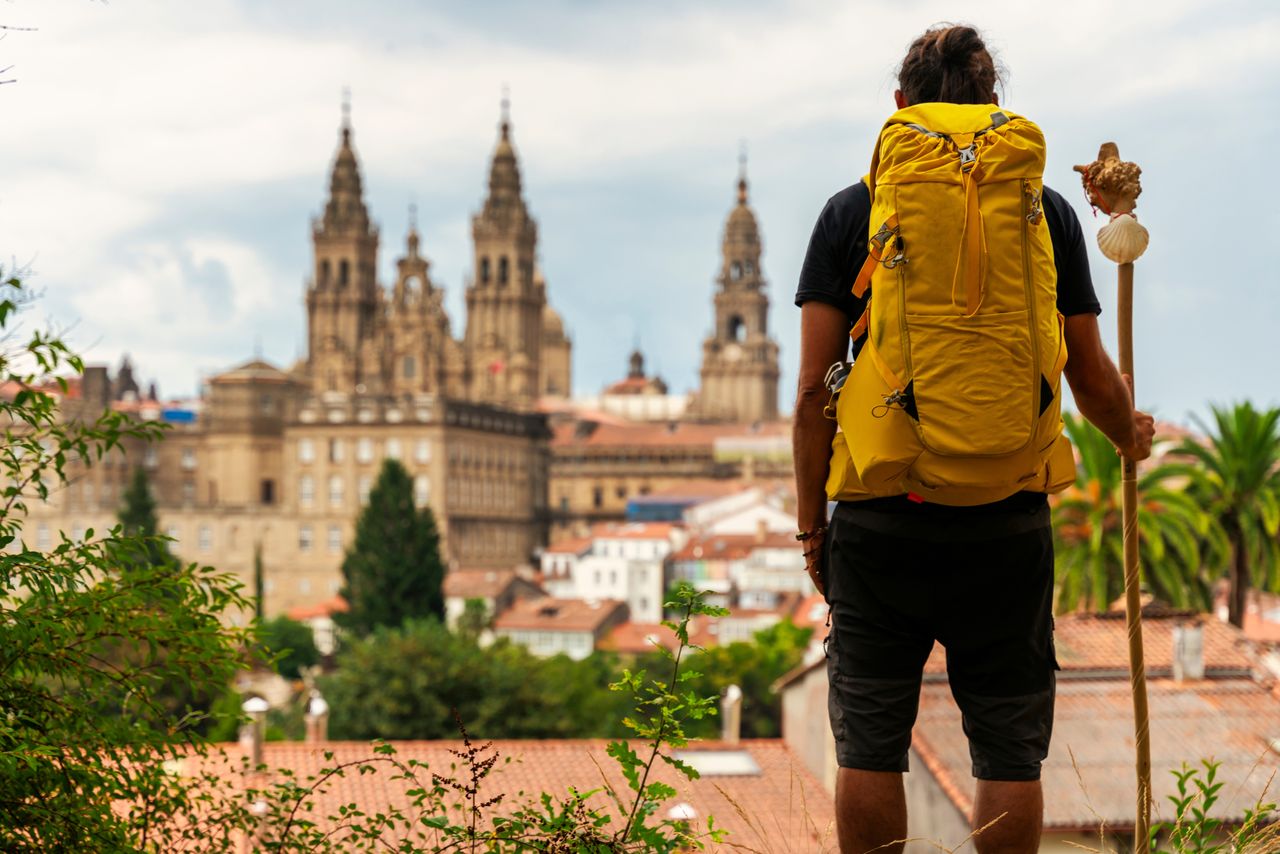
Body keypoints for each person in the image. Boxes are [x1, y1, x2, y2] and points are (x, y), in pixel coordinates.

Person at [791, 23, 1155, 854]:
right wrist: (1128, 434)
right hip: (1007, 516)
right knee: (1009, 752)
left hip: (883, 515)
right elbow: (1089, 375)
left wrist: (813, 527)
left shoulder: (853, 213)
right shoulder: (1048, 212)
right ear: (994, 106)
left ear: (899, 107)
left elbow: (814, 390)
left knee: (872, 744)